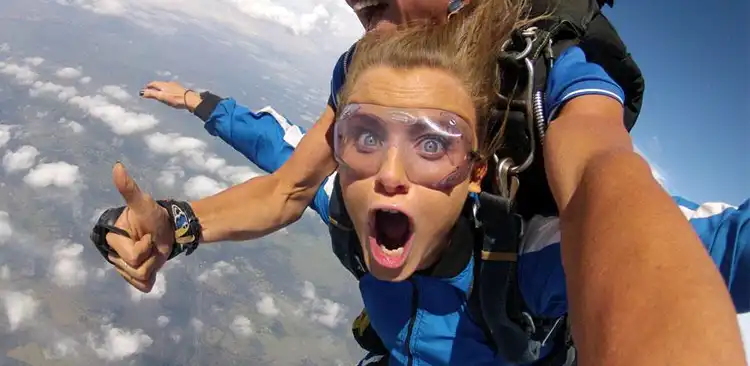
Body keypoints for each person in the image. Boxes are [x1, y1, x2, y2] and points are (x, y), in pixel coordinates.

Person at [91, 0, 747, 364]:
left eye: (434, 145)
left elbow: (605, 183)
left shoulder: (530, 260)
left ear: (475, 169)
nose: (389, 177)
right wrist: (180, 218)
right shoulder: (355, 155)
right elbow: (287, 172)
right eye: (365, 138)